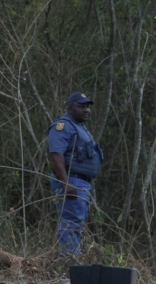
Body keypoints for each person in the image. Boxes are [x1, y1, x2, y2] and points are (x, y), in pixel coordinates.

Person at [47, 91, 104, 256]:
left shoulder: (80, 128)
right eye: (81, 106)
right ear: (70, 107)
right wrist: (66, 183)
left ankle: (72, 259)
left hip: (81, 182)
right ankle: (69, 262)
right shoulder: (63, 126)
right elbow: (56, 155)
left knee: (77, 222)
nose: (86, 110)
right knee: (71, 222)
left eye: (87, 107)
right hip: (72, 181)